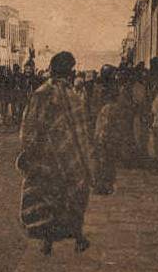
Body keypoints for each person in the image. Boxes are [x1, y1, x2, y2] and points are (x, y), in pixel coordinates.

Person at [16, 51, 94, 255]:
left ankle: (48, 242)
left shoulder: (41, 93)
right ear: (69, 72)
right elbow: (80, 131)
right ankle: (77, 237)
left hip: (46, 157)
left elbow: (30, 125)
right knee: (73, 196)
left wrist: (28, 150)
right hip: (69, 157)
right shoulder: (73, 95)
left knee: (48, 199)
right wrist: (84, 158)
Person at [93, 81, 125, 195]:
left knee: (104, 162)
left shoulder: (107, 108)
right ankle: (105, 185)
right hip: (108, 139)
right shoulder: (111, 108)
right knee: (107, 163)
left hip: (105, 139)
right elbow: (106, 126)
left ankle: (102, 185)